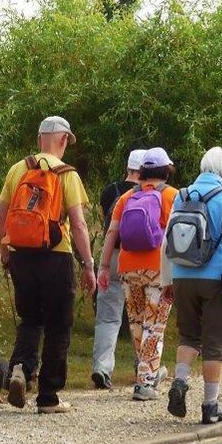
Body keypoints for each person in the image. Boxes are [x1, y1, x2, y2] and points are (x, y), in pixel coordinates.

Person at [0, 116, 96, 413]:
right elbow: (77, 224)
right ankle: (48, 397)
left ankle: (20, 370)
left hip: (20, 255)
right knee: (58, 325)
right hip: (56, 255)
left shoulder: (17, 169)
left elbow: (0, 217)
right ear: (63, 140)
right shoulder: (68, 174)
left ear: (40, 139)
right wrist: (88, 264)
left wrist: (5, 251)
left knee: (30, 319)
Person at [162, 147, 222, 425]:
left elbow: (166, 241)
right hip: (216, 279)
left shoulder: (181, 194)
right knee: (214, 344)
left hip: (182, 276)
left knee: (189, 337)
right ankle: (210, 407)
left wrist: (166, 280)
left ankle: (181, 380)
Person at [98, 147, 179, 400]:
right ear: (166, 170)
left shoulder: (126, 198)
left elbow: (112, 233)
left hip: (127, 268)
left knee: (136, 324)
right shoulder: (172, 196)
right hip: (158, 270)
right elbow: (178, 235)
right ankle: (144, 382)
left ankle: (151, 374)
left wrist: (102, 266)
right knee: (154, 326)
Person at [90, 148, 146, 390]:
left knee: (108, 318)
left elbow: (108, 224)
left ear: (128, 167)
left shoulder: (109, 191)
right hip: (138, 259)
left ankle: (102, 368)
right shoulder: (150, 193)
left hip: (111, 256)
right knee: (142, 318)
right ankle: (143, 367)